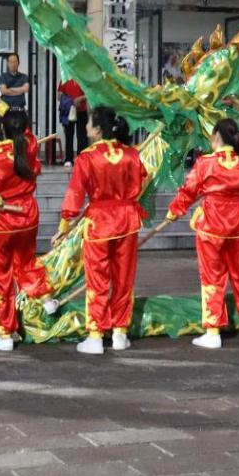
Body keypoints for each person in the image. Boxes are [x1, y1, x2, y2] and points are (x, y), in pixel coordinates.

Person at [165, 119, 239, 350]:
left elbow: (189, 190)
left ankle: (213, 330)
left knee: (213, 277)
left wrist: (174, 211)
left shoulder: (205, 163)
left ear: (218, 137)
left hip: (212, 225)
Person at [54, 108, 147, 355]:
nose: (85, 126)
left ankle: (96, 334)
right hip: (127, 220)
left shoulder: (87, 157)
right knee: (124, 278)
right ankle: (119, 333)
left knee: (98, 279)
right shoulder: (131, 154)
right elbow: (141, 182)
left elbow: (74, 193)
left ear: (97, 130)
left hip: (100, 223)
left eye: (88, 123)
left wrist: (64, 225)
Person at [0, 108, 58, 351]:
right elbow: (23, 128)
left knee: (1, 278)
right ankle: (46, 297)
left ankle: (5, 334)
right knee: (26, 261)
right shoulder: (29, 145)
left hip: (2, 222)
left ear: (2, 129)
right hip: (28, 216)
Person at [57, 76, 89, 165]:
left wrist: (81, 98)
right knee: (68, 135)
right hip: (68, 110)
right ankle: (68, 159)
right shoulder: (65, 77)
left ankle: (81, 158)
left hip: (82, 109)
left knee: (82, 135)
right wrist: (70, 100)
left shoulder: (83, 77)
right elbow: (59, 95)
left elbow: (90, 93)